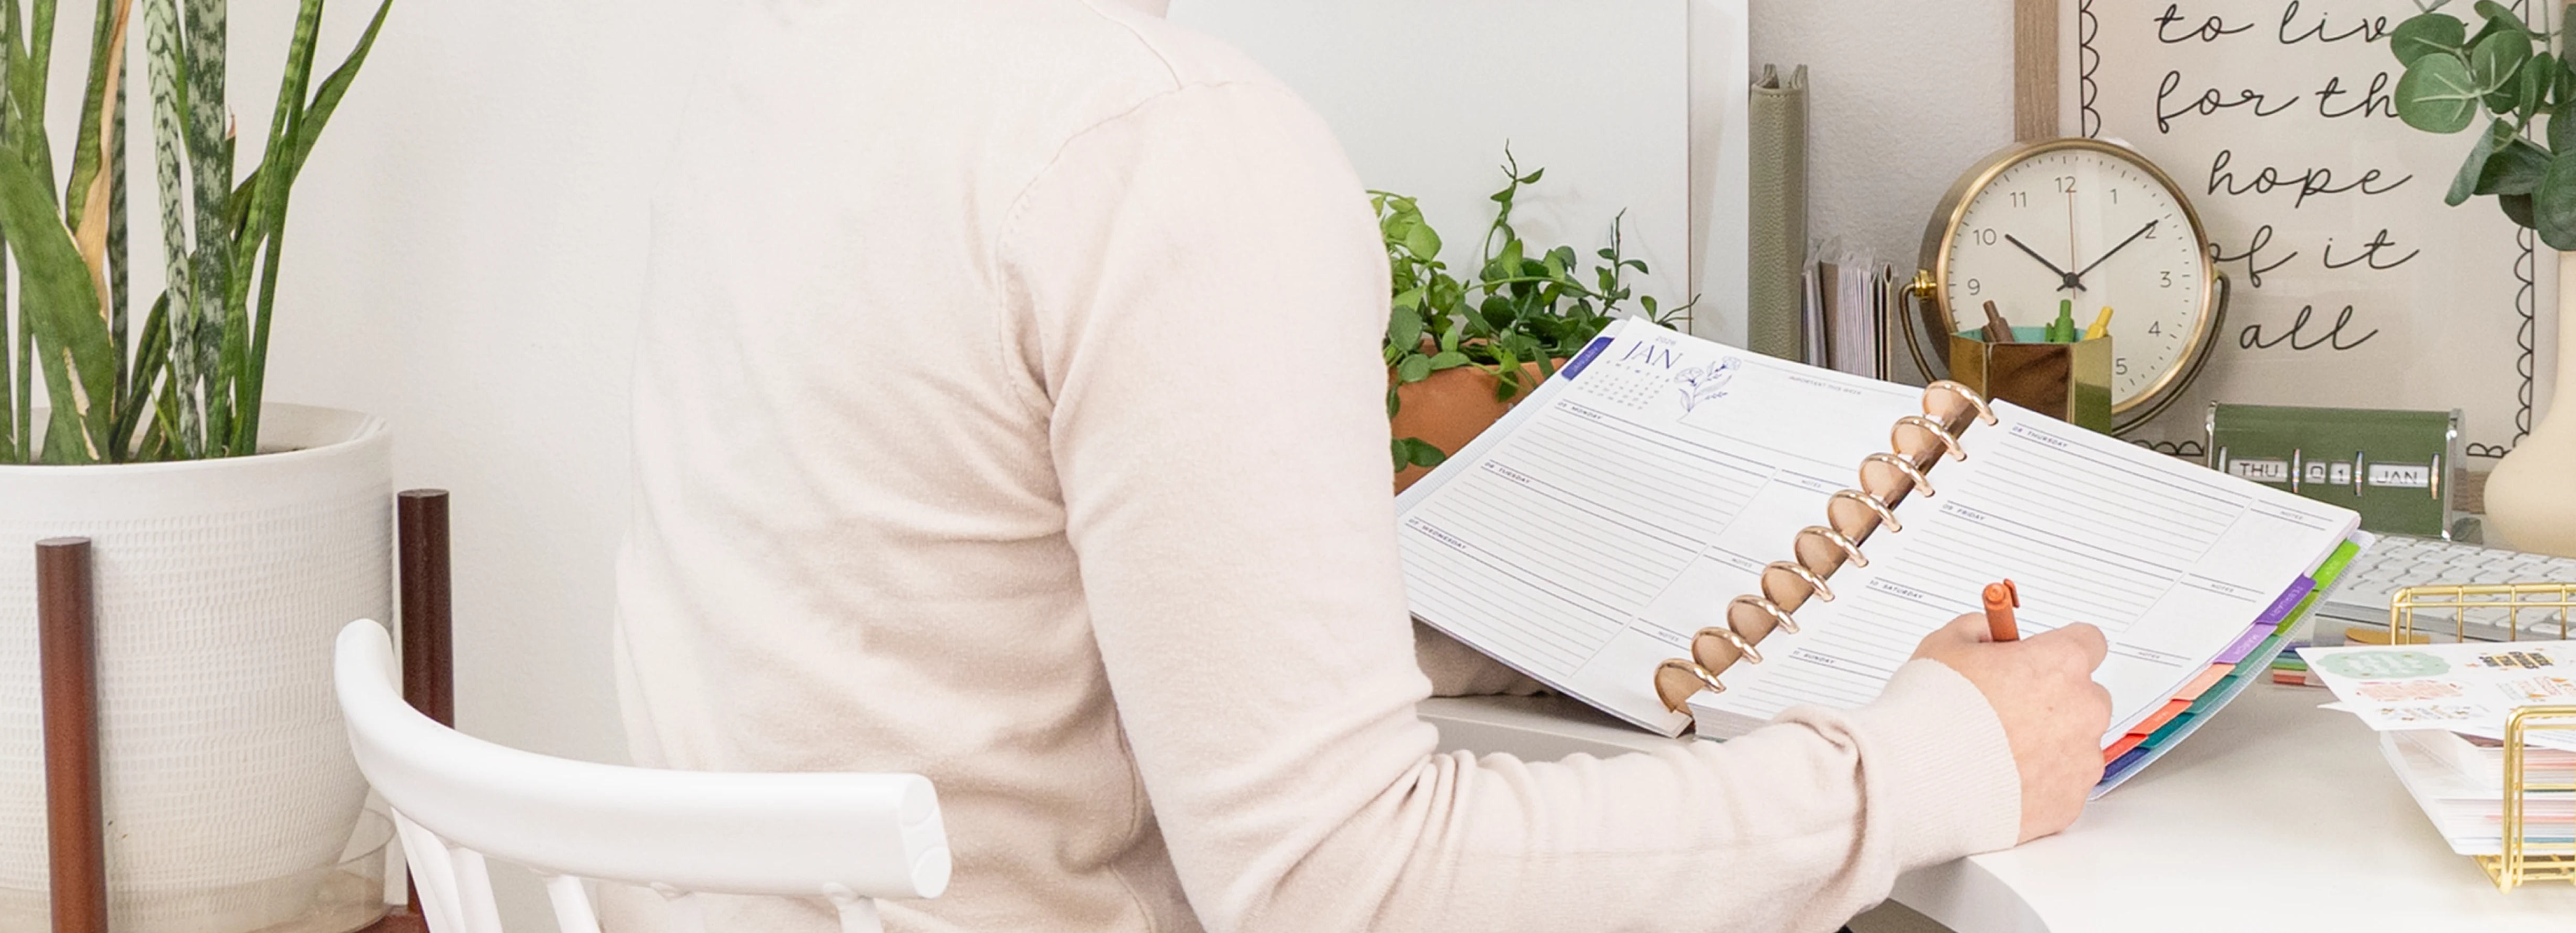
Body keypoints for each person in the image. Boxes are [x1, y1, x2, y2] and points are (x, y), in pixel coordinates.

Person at [610, 1, 2115, 930]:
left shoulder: (787, 59)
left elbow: (956, 602)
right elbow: (1346, 885)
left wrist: (1460, 619)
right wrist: (1923, 767)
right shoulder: (1164, 142)